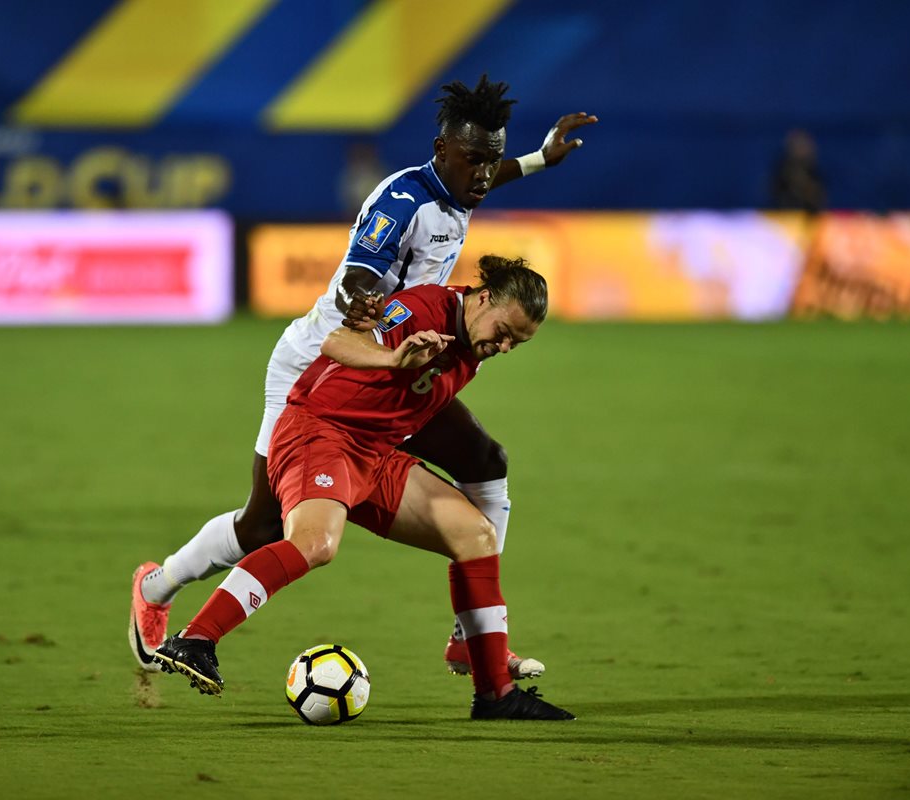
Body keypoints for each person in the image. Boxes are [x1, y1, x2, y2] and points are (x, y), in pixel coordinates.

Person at [131, 75, 597, 678]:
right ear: (441, 151)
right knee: (265, 524)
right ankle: (159, 585)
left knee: (486, 461)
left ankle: (471, 634)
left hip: (402, 364)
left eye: (491, 160)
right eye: (474, 160)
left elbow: (486, 181)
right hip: (325, 364)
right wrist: (364, 303)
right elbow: (358, 272)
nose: (484, 174)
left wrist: (538, 160)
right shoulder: (401, 202)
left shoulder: (460, 191)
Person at [156, 256, 574, 721]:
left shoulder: (473, 342)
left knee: (475, 535)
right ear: (482, 298)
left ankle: (495, 693)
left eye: (518, 342)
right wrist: (392, 357)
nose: (505, 346)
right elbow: (338, 341)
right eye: (504, 331)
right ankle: (196, 638)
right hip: (320, 433)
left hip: (376, 455)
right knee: (315, 544)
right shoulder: (421, 311)